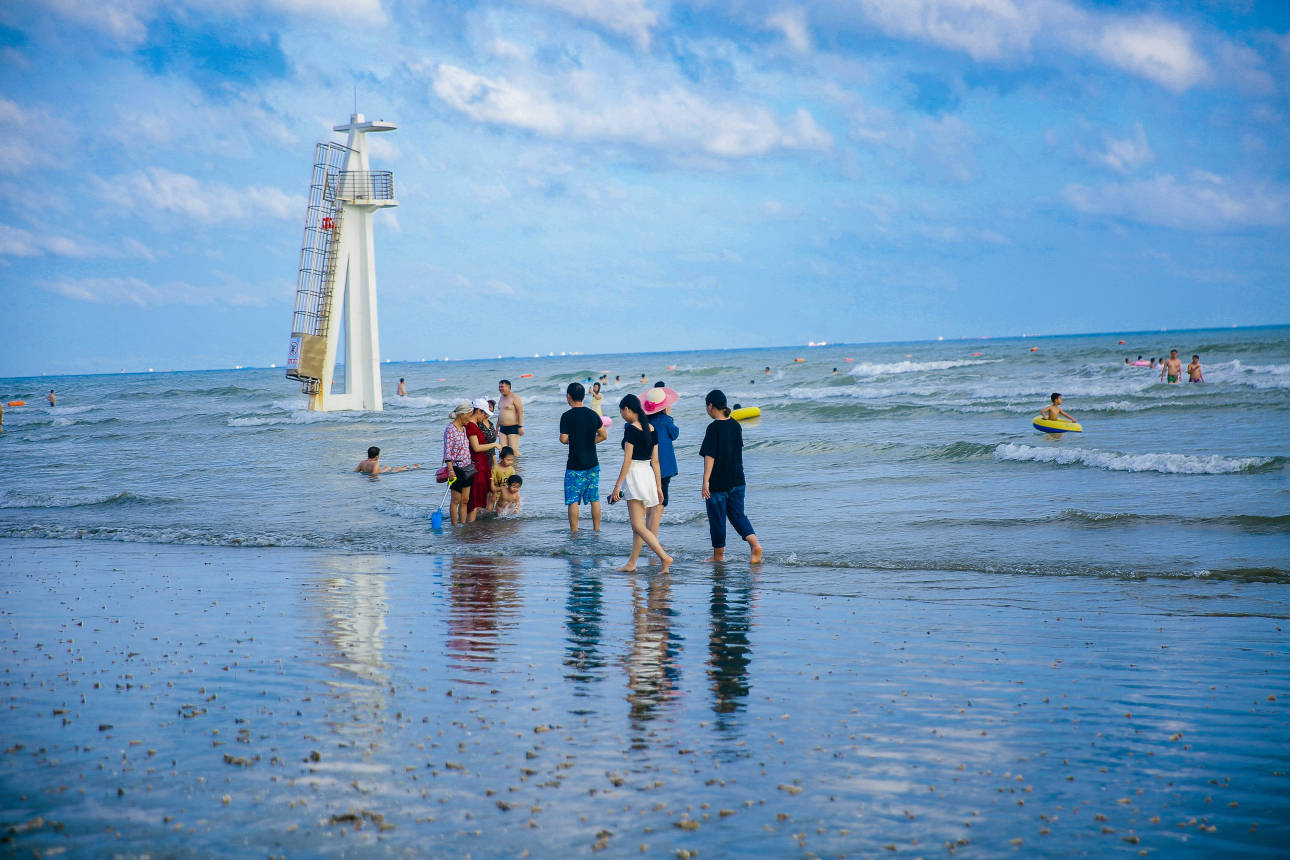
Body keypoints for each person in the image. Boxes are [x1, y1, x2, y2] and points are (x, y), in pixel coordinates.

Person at [608, 394, 672, 572]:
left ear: (627, 409)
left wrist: (617, 486)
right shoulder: (652, 429)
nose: (622, 415)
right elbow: (656, 461)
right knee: (639, 525)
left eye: (621, 412)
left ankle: (664, 557)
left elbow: (627, 460)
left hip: (635, 475)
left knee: (637, 525)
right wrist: (658, 487)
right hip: (648, 474)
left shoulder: (631, 429)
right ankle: (632, 563)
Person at [700, 389, 763, 564]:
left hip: (718, 482)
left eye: (707, 406)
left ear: (711, 406)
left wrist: (706, 481)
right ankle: (755, 545)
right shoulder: (736, 425)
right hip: (738, 479)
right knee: (738, 515)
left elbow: (710, 456)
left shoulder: (713, 428)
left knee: (717, 519)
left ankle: (718, 556)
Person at [559, 382, 608, 533]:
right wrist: (589, 440)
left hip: (574, 464)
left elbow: (563, 439)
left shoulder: (566, 416)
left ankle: (574, 532)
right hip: (592, 463)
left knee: (573, 500)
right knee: (594, 498)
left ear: (569, 396)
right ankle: (596, 530)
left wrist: (575, 441)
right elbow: (603, 435)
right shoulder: (593, 414)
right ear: (584, 396)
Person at [641, 385, 680, 550]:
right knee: (659, 506)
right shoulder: (666, 421)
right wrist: (669, 416)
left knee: (651, 505)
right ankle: (653, 542)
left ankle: (649, 539)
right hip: (663, 469)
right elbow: (675, 434)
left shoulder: (643, 422)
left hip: (646, 467)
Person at [465, 398, 501, 521]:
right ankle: (470, 525)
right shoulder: (471, 425)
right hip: (477, 465)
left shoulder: (474, 424)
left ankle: (473, 525)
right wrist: (494, 445)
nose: (485, 416)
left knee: (479, 497)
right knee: (474, 499)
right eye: (483, 413)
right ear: (478, 411)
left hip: (482, 464)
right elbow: (476, 447)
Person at [442, 402, 477, 526]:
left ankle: (463, 525)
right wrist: (450, 470)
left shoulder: (464, 428)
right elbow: (447, 452)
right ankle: (455, 526)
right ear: (462, 414)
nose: (470, 417)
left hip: (468, 468)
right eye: (469, 415)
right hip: (456, 468)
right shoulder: (450, 429)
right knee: (456, 500)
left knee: (465, 500)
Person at [497, 379, 524, 455]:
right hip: (502, 428)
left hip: (513, 427)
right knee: (502, 451)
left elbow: (520, 412)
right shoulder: (501, 398)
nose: (500, 388)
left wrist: (520, 426)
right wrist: (497, 428)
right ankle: (505, 467)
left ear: (508, 387)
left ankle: (518, 466)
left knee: (513, 451)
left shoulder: (514, 397)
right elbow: (500, 414)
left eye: (502, 387)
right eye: (499, 387)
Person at [355, 446, 419, 474]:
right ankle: (413, 468)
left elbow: (356, 472)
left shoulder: (362, 462)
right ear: (377, 456)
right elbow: (375, 474)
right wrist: (385, 470)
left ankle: (405, 467)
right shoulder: (375, 463)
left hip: (367, 474)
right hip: (376, 475)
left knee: (390, 468)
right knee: (397, 469)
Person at [491, 446, 517, 510]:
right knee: (491, 506)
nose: (510, 462)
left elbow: (513, 484)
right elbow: (492, 485)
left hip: (505, 494)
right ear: (501, 459)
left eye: (512, 460)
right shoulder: (495, 468)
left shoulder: (512, 470)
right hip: (495, 493)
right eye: (508, 460)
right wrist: (499, 489)